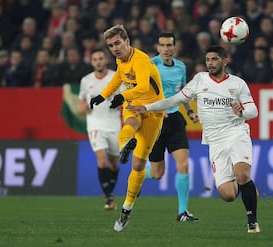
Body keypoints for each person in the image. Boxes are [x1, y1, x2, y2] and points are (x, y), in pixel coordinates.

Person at [127, 45, 261, 233]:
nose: (210, 63)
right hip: (215, 142)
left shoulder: (238, 84)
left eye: (214, 59)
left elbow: (253, 111)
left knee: (242, 174)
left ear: (225, 60)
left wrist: (242, 112)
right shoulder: (199, 80)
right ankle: (246, 187)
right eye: (208, 60)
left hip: (236, 133)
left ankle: (252, 222)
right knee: (228, 195)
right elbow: (174, 100)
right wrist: (148, 108)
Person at [89, 24, 165, 232]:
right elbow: (118, 78)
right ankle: (124, 146)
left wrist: (122, 96)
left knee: (139, 165)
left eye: (117, 43)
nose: (114, 48)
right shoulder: (121, 59)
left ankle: (126, 209)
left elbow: (141, 86)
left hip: (153, 109)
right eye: (111, 45)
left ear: (127, 42)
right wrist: (103, 95)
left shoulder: (140, 60)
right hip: (133, 105)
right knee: (130, 123)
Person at [146, 32, 200, 222]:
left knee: (183, 164)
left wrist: (190, 111)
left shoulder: (181, 66)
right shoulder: (150, 65)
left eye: (170, 45)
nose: (166, 49)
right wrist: (157, 108)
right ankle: (137, 172)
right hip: (155, 121)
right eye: (163, 45)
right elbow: (140, 91)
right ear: (158, 48)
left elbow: (182, 92)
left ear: (174, 47)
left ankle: (182, 212)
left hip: (175, 119)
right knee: (156, 173)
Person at [78, 48, 123, 210]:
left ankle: (109, 193)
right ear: (92, 62)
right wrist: (83, 106)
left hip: (114, 125)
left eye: (100, 58)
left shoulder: (115, 77)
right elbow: (82, 100)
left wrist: (119, 102)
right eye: (95, 59)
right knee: (102, 160)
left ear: (105, 60)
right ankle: (108, 198)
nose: (98, 61)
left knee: (114, 164)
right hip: (95, 125)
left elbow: (124, 97)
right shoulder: (86, 80)